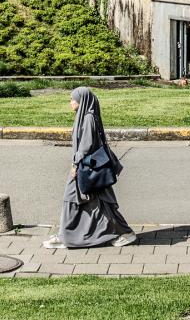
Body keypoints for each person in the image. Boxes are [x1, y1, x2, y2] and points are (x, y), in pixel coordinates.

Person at [43, 86, 136, 249]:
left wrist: (75, 165)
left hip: (86, 168)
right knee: (95, 202)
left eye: (73, 99)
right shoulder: (85, 116)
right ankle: (67, 235)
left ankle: (126, 233)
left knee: (74, 199)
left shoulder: (88, 118)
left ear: (82, 101)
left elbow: (86, 147)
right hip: (89, 168)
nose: (70, 102)